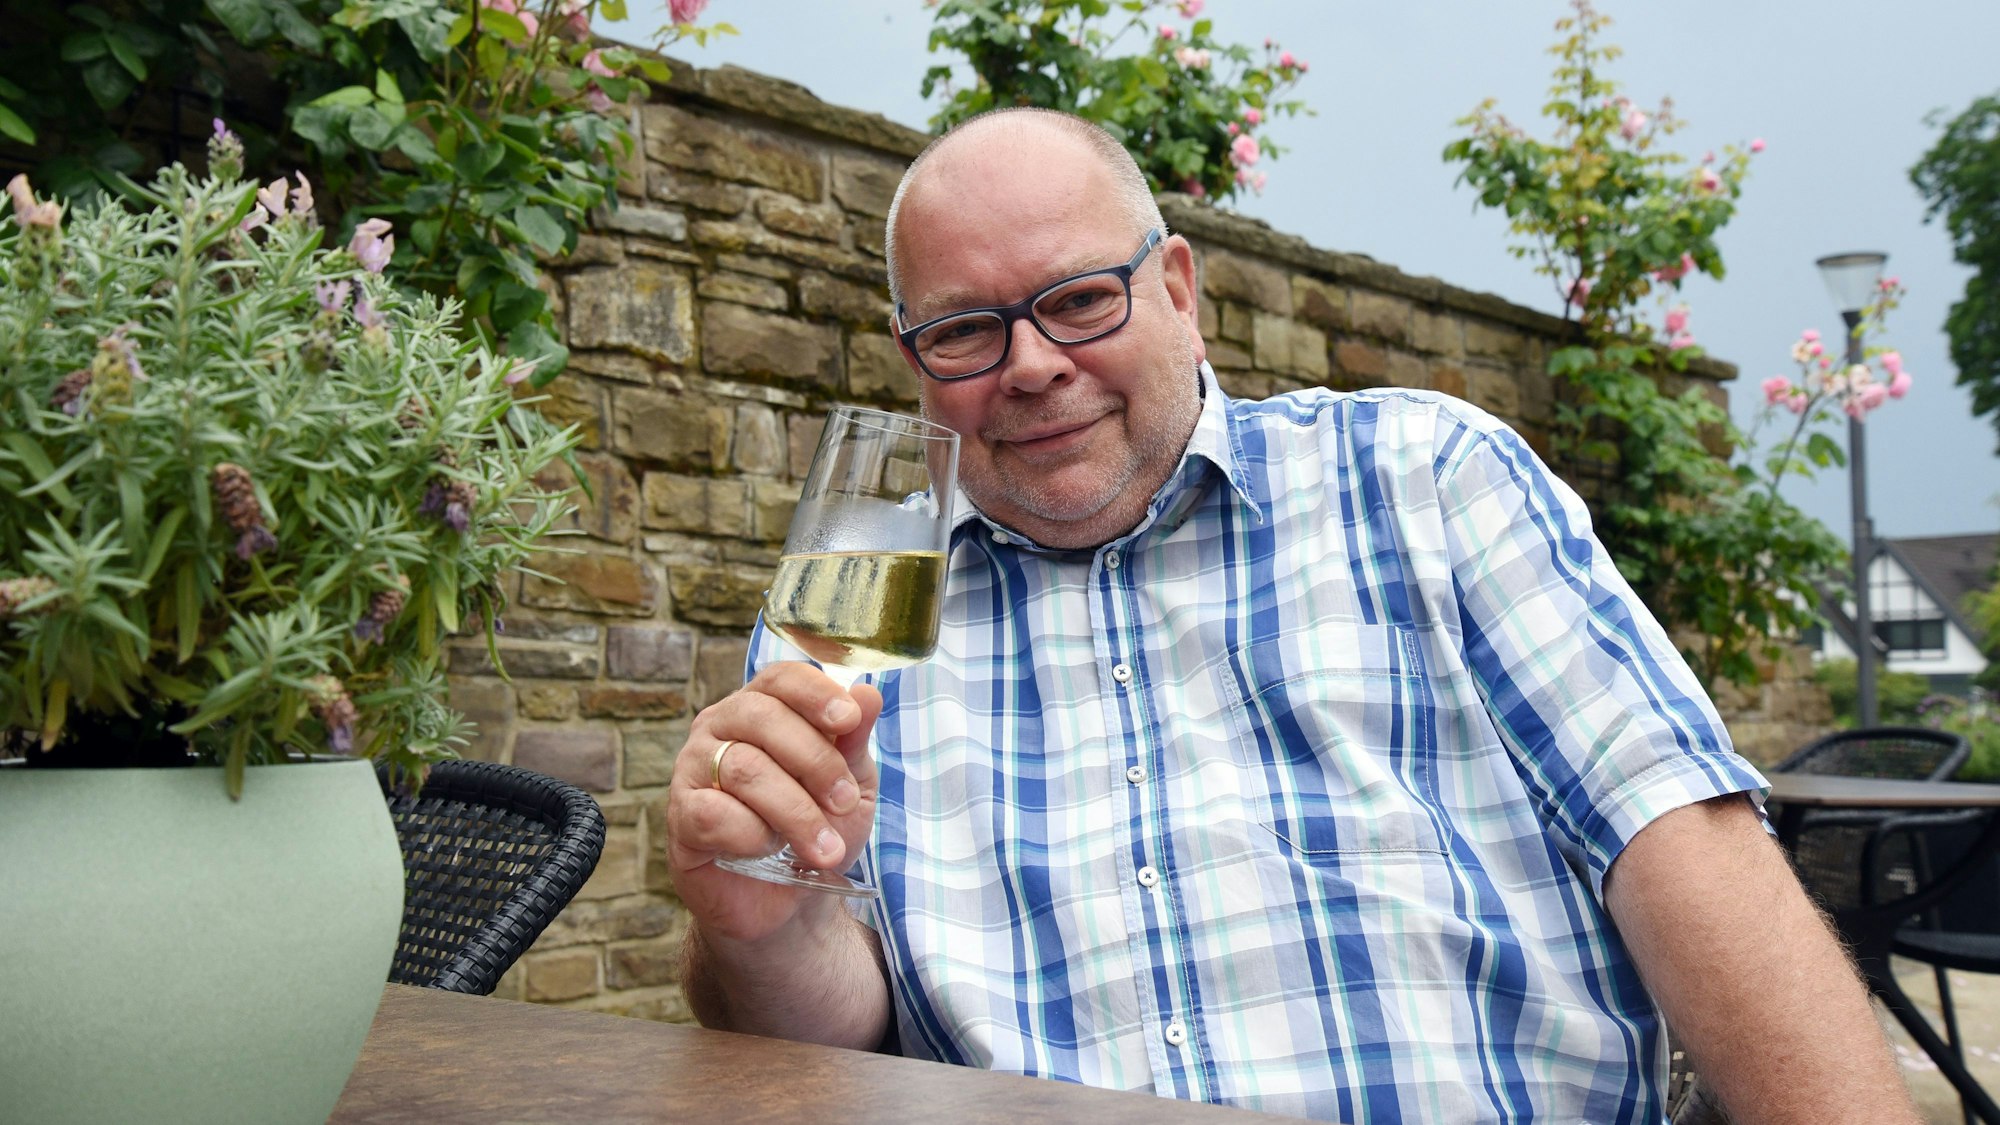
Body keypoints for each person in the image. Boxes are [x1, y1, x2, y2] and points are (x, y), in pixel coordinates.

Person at [667, 107, 1919, 1123]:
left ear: (1176, 289)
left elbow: (1680, 847)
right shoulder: (856, 608)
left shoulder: (1422, 481)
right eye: (964, 331)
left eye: (1079, 300)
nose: (1031, 362)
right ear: (912, 358)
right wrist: (762, 929)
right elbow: (836, 1029)